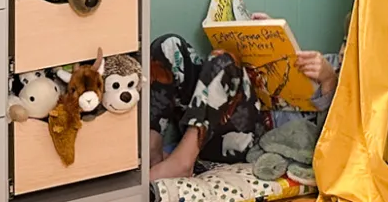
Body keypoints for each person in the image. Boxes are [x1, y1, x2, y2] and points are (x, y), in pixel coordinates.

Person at [147, 15, 343, 183]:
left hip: (248, 140)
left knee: (224, 61)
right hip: (212, 119)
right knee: (169, 44)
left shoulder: (349, 87)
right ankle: (152, 150)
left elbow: (334, 140)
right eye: (345, 41)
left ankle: (182, 162)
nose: (345, 50)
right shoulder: (327, 60)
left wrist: (329, 81)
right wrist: (270, 39)